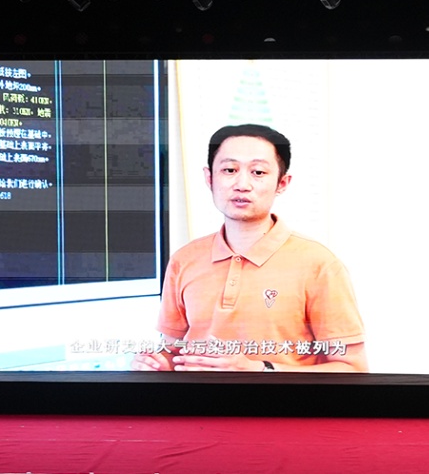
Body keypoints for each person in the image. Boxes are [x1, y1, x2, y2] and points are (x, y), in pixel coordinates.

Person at [133, 124, 367, 372]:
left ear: (282, 183)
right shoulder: (184, 259)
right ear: (209, 178)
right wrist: (156, 365)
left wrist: (262, 370)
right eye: (229, 170)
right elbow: (173, 351)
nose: (242, 184)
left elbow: (352, 369)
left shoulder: (319, 265)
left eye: (258, 172)